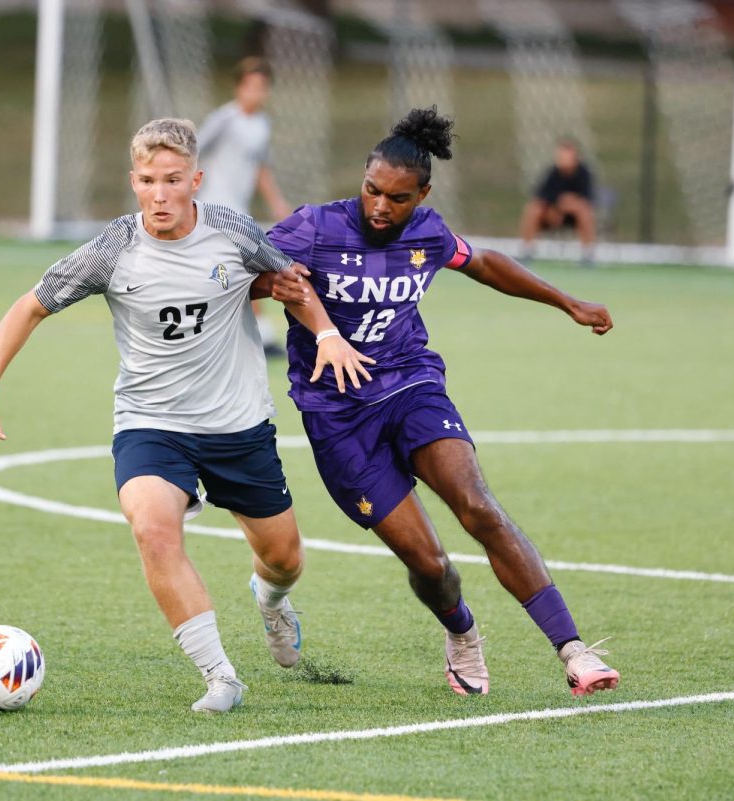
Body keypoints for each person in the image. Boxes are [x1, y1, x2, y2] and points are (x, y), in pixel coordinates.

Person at [0, 118, 372, 714]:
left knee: (284, 558)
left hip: (237, 425)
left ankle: (272, 601)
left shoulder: (232, 231)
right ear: (133, 181)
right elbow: (30, 307)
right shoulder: (114, 249)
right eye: (148, 180)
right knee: (152, 530)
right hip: (151, 424)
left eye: (172, 180)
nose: (159, 193)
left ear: (195, 180)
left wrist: (327, 333)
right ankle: (221, 678)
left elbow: (288, 282)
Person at [261, 107, 620, 697]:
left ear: (422, 193)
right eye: (372, 190)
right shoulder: (314, 229)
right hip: (338, 418)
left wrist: (567, 302)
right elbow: (249, 269)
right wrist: (274, 281)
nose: (380, 206)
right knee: (431, 567)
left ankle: (573, 650)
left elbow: (484, 263)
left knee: (478, 506)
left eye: (398, 198)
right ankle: (462, 633)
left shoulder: (427, 233)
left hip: (411, 385)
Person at [197, 57, 294, 356]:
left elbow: (260, 167)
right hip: (214, 208)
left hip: (238, 210)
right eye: (250, 86)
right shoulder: (224, 120)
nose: (256, 93)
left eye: (261, 87)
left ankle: (241, 335)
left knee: (230, 271)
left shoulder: (262, 124)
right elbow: (191, 154)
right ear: (239, 87)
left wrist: (277, 202)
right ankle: (258, 336)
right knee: (242, 268)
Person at [518, 138, 595, 266]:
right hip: (552, 214)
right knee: (533, 209)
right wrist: (557, 206)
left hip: (574, 217)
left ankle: (587, 255)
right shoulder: (553, 173)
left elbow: (586, 199)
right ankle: (527, 251)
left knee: (584, 211)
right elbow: (541, 196)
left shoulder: (584, 174)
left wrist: (570, 204)